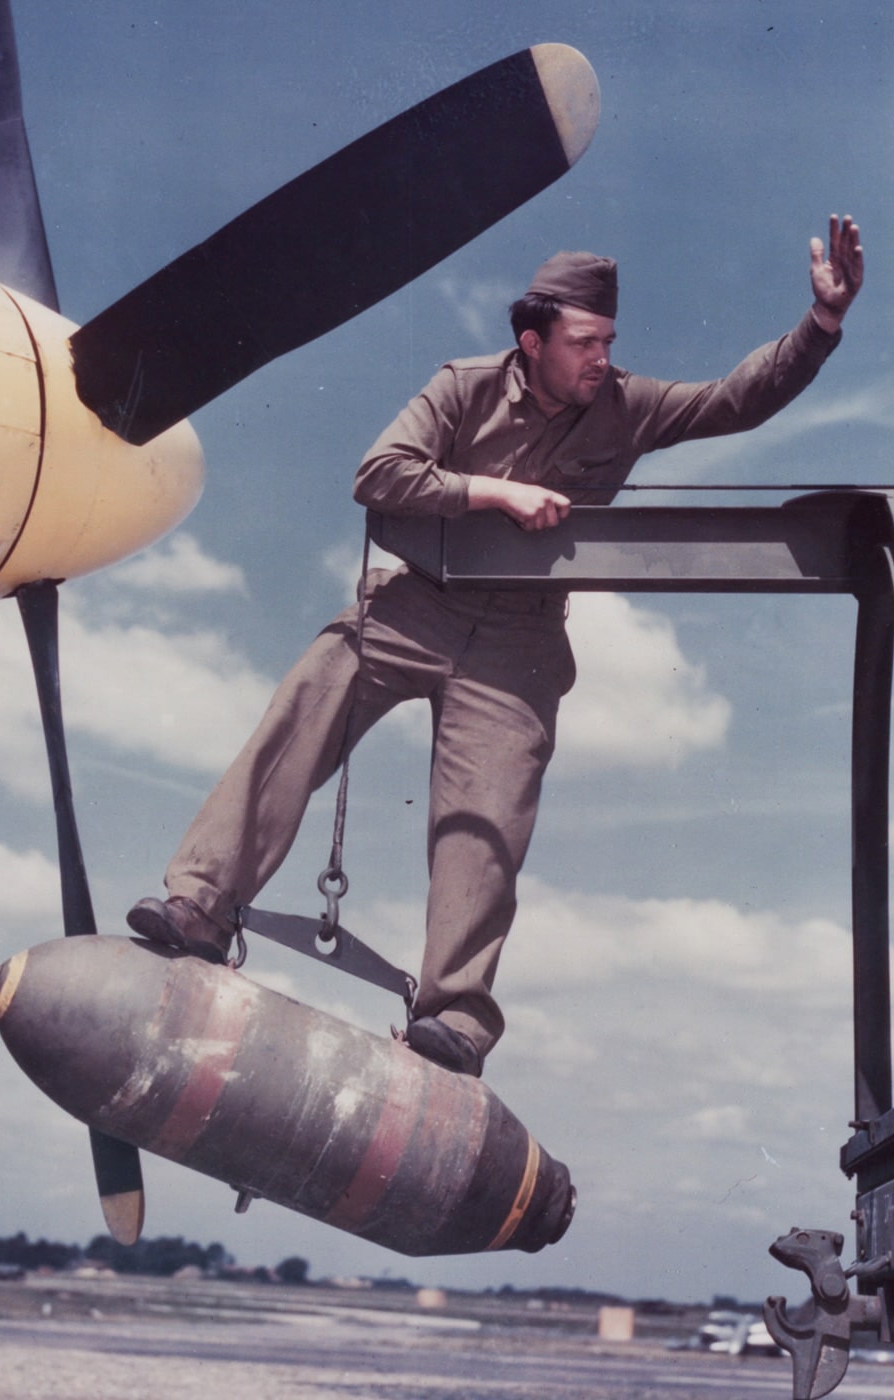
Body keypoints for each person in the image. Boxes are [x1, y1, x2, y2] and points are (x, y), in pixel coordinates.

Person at [129, 216, 864, 1078]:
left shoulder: (625, 406)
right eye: (584, 342)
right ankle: (201, 908)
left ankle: (453, 1018)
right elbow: (379, 472)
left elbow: (735, 401)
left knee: (486, 824)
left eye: (607, 341)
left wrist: (820, 325)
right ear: (532, 341)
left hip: (517, 641)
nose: (600, 357)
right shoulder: (462, 388)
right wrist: (489, 492)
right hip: (416, 606)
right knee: (311, 694)